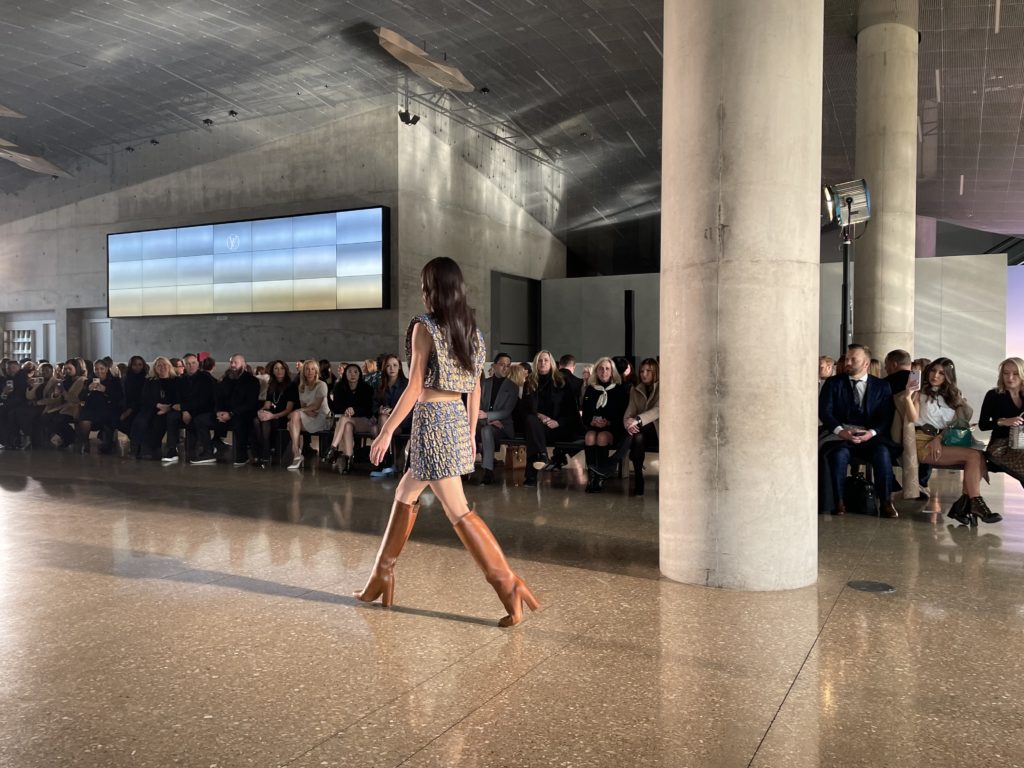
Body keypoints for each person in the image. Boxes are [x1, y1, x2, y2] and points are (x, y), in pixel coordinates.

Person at [358, 256, 539, 627]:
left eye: (426, 286)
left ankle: (509, 586)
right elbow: (474, 388)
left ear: (434, 289)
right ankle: (382, 574)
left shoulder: (424, 327)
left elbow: (414, 386)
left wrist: (387, 430)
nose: (423, 293)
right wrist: (470, 433)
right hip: (454, 420)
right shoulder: (473, 331)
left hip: (433, 423)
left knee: (458, 511)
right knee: (405, 493)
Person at [897, 357, 1000, 525]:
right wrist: (908, 396)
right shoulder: (919, 392)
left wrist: (939, 437)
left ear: (948, 377)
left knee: (979, 456)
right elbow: (912, 417)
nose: (935, 375)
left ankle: (965, 505)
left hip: (944, 441)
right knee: (974, 456)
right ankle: (974, 504)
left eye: (941, 373)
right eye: (933, 370)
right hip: (923, 441)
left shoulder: (953, 396)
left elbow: (956, 425)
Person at [818, 344, 900, 517]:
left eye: (853, 359)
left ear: (866, 363)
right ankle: (839, 501)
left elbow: (886, 416)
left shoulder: (882, 386)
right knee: (839, 455)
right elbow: (825, 412)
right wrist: (841, 431)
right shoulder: (833, 383)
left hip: (870, 436)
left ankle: (886, 501)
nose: (847, 362)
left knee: (882, 453)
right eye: (847, 358)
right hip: (839, 436)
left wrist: (871, 433)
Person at [521, 350, 583, 486]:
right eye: (540, 361)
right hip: (538, 426)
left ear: (551, 363)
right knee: (532, 422)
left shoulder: (562, 381)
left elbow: (571, 411)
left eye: (546, 360)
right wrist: (539, 416)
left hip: (558, 428)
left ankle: (532, 474)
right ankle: (542, 454)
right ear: (536, 364)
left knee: (533, 434)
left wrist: (557, 422)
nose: (543, 363)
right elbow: (526, 409)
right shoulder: (529, 382)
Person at [580, 356, 628, 493]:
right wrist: (591, 421)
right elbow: (586, 414)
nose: (604, 372)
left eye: (607, 369)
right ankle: (591, 477)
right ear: (596, 371)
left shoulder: (619, 390)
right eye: (601, 369)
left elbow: (622, 415)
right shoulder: (591, 389)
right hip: (594, 427)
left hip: (613, 429)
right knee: (589, 436)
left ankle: (601, 477)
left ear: (612, 372)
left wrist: (608, 421)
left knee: (601, 437)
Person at [979, 357, 1024, 489]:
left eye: (1015, 374)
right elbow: (983, 425)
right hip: (1000, 446)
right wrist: (1004, 421)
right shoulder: (993, 395)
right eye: (1006, 373)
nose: (1010, 377)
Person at [165, 353, 217, 464]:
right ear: (183, 365)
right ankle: (172, 450)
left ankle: (208, 451)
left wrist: (184, 407)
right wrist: (184, 411)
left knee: (199, 419)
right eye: (188, 363)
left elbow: (205, 399)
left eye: (193, 363)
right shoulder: (180, 380)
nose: (191, 365)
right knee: (172, 416)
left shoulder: (206, 378)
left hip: (202, 410)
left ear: (198, 364)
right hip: (186, 411)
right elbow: (177, 397)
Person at [323, 363, 375, 473]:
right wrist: (328, 398)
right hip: (348, 421)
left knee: (344, 420)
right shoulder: (339, 387)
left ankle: (332, 448)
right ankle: (348, 462)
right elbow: (337, 409)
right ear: (345, 374)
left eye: (355, 372)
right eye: (349, 372)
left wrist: (355, 410)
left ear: (359, 374)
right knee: (346, 425)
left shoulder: (366, 388)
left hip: (365, 421)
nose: (353, 374)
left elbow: (369, 410)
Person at [476, 353, 518, 484]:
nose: (505, 368)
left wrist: (488, 415)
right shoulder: (484, 384)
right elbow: (478, 406)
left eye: (508, 365)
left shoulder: (512, 387)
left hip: (502, 425)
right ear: (494, 366)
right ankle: (460, 469)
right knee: (465, 429)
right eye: (502, 365)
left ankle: (488, 471)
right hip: (483, 422)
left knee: (486, 431)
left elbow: (506, 411)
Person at [213, 354, 261, 466]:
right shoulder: (226, 379)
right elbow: (218, 398)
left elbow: (250, 403)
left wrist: (231, 413)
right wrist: (219, 411)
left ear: (243, 364)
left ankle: (242, 456)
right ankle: (209, 450)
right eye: (231, 362)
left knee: (240, 423)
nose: (233, 365)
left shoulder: (252, 381)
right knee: (201, 420)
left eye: (236, 362)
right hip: (224, 413)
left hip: (243, 414)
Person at [370, 354, 410, 477]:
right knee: (378, 424)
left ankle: (384, 462)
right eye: (388, 366)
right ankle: (386, 462)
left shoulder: (406, 385)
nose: (391, 368)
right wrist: (380, 410)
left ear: (399, 368)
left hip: (403, 422)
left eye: (394, 365)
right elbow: (374, 406)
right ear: (384, 369)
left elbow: (409, 408)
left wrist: (392, 412)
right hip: (384, 422)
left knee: (381, 423)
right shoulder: (380, 386)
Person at [286, 359, 330, 470]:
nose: (310, 372)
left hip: (322, 417)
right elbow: (303, 406)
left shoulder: (322, 385)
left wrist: (300, 411)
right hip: (308, 415)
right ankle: (297, 453)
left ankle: (296, 453)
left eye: (312, 369)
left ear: (316, 371)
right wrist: (303, 411)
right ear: (303, 371)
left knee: (291, 423)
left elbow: (316, 406)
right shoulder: (302, 387)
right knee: (294, 419)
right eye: (307, 369)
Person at [253, 360, 298, 467]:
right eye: (276, 368)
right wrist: (261, 411)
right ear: (272, 371)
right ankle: (264, 451)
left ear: (285, 370)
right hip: (272, 415)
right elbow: (267, 405)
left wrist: (272, 416)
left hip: (284, 417)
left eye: (282, 368)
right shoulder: (271, 384)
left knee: (265, 423)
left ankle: (264, 453)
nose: (279, 371)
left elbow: (289, 409)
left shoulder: (291, 386)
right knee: (256, 420)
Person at [76, 359, 124, 454]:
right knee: (84, 420)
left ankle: (107, 442)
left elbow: (119, 397)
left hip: (108, 408)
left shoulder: (115, 381)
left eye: (102, 368)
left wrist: (105, 390)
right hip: (91, 408)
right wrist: (88, 390)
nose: (99, 371)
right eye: (96, 369)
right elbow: (80, 397)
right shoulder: (88, 381)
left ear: (107, 369)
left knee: (108, 420)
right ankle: (85, 442)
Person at [135, 356, 177, 460]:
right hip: (154, 408)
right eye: (159, 365)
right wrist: (157, 405)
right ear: (155, 368)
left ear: (169, 367)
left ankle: (162, 448)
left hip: (172, 409)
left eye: (164, 365)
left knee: (162, 419)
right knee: (145, 420)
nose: (162, 367)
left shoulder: (176, 381)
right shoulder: (150, 381)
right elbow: (145, 398)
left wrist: (168, 408)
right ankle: (143, 448)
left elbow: (179, 398)